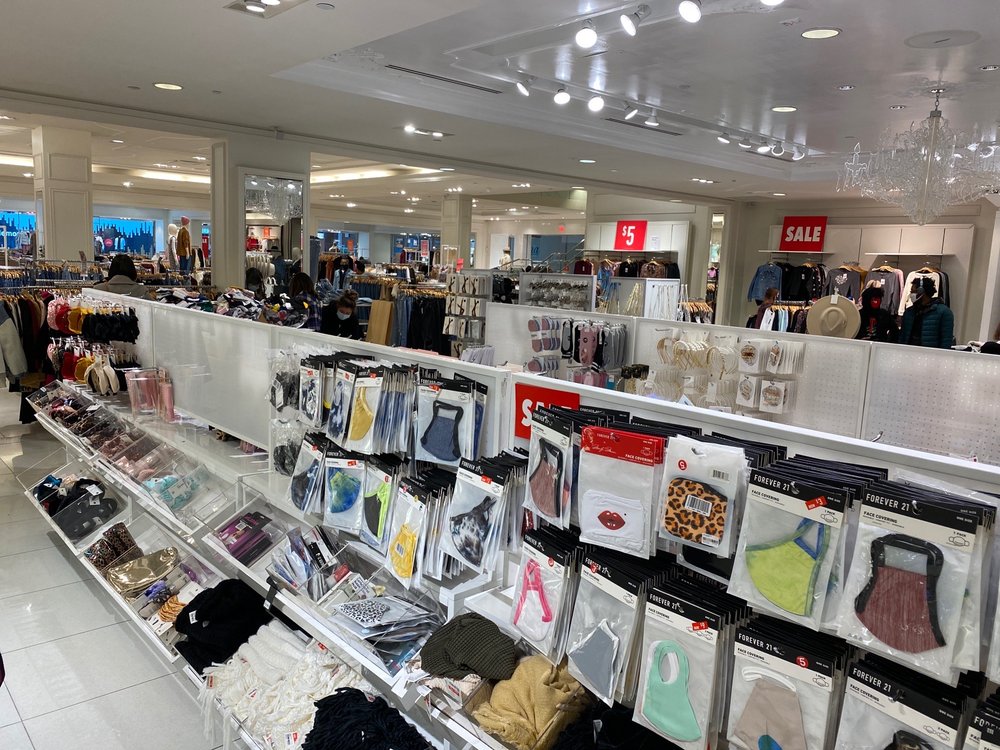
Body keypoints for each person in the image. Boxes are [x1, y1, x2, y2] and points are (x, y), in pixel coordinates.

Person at [900, 277, 954, 348]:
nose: (911, 295)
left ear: (921, 291)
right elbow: (902, 337)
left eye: (913, 291)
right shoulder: (909, 312)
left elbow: (946, 341)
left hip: (931, 353)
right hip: (908, 352)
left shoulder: (944, 312)